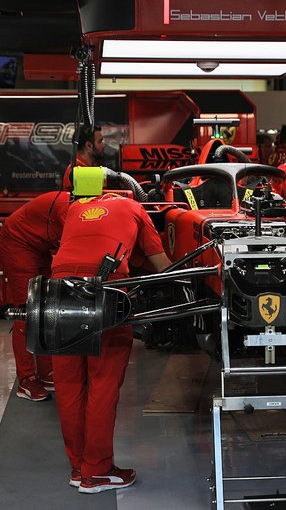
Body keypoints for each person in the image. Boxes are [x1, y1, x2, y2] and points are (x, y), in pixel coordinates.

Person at [51, 193, 171, 493]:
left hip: (57, 288)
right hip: (108, 288)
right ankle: (98, 471)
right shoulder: (134, 207)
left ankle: (78, 469)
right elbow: (162, 266)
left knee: (68, 384)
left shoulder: (75, 207)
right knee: (102, 383)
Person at [0, 191, 71, 401]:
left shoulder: (80, 206)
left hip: (39, 246)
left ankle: (47, 373)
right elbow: (73, 245)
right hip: (17, 243)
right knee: (28, 312)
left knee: (48, 307)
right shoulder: (68, 208)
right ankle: (26, 380)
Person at [62, 125, 106, 189]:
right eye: (100, 141)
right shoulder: (76, 172)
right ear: (89, 146)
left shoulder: (91, 166)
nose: (104, 145)